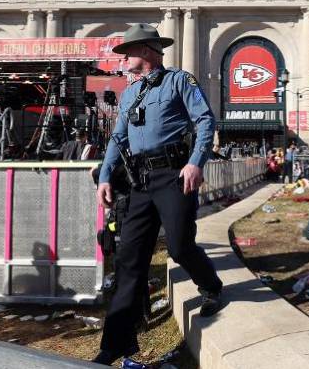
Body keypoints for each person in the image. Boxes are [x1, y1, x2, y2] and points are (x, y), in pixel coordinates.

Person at [91, 23, 222, 366]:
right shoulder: (129, 93)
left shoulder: (180, 80)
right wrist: (105, 176)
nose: (123, 59)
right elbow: (117, 139)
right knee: (128, 261)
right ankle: (114, 345)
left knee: (179, 246)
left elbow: (205, 121)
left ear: (147, 52)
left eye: (128, 52)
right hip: (139, 182)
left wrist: (196, 162)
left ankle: (210, 286)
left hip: (174, 175)